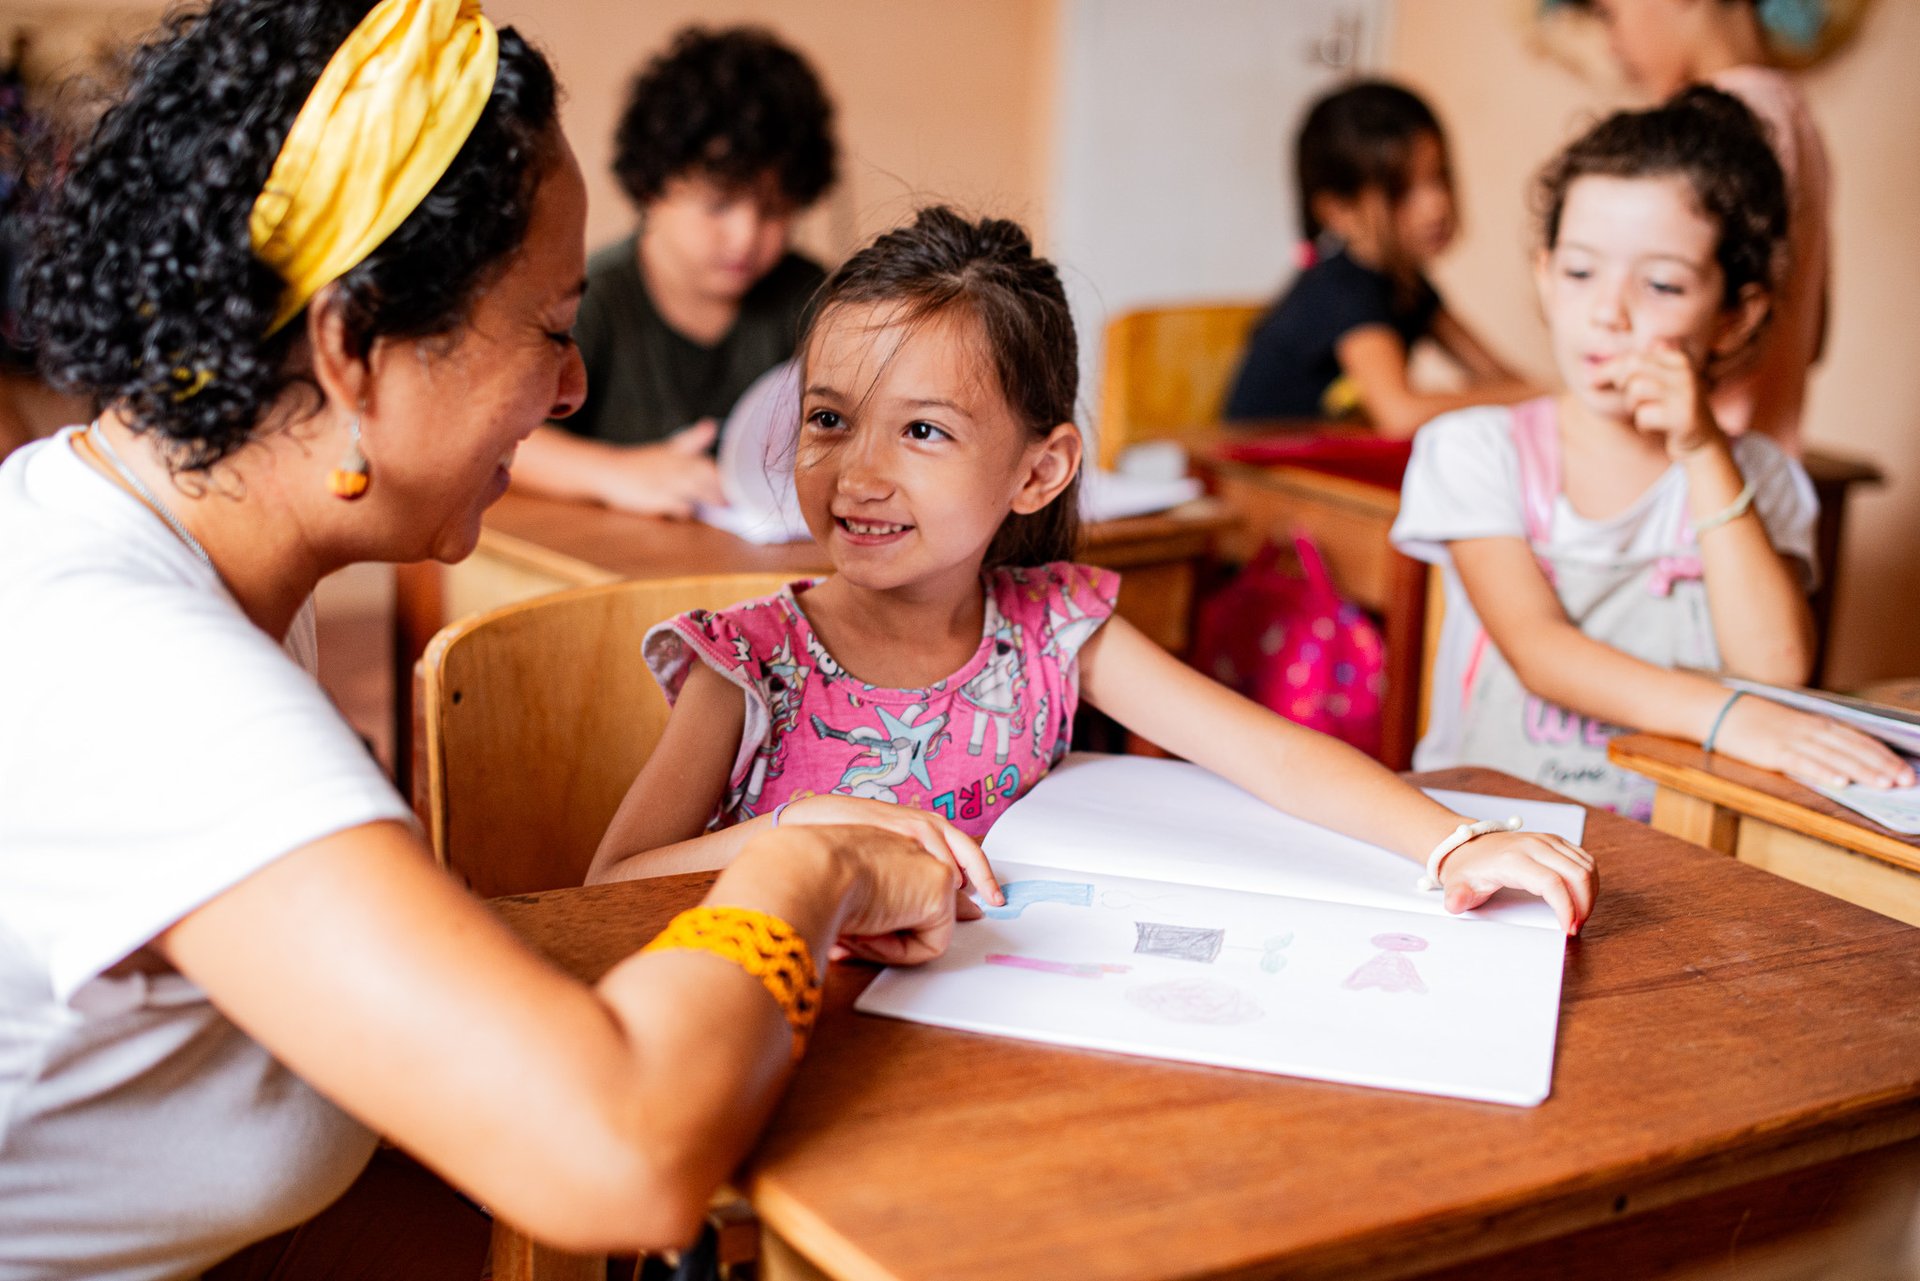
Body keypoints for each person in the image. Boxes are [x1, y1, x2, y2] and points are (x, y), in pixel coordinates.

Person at [0, 3, 962, 1277]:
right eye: (553, 329)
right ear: (352, 348)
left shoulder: (111, 518)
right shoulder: (139, 675)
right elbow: (614, 1157)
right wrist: (813, 866)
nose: (573, 389)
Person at [588, 206, 1597, 938]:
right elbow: (609, 884)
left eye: (924, 430)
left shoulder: (1051, 628)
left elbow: (1273, 757)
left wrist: (1454, 842)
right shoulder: (753, 664)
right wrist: (798, 830)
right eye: (829, 420)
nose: (859, 472)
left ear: (1040, 470)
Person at [1389, 88, 1909, 821]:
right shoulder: (1476, 452)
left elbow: (1775, 666)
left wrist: (1700, 450)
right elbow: (1539, 650)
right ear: (1544, 273)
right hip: (1490, 835)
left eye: (1662, 283)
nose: (1609, 311)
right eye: (1579, 272)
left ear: (1736, 314)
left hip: (1683, 845)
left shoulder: (1761, 480)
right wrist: (1730, 718)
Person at [511, 25, 837, 516]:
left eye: (773, 212)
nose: (746, 236)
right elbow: (508, 437)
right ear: (650, 187)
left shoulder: (816, 299)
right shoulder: (592, 299)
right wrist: (613, 471)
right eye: (718, 205)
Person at [1576, 0, 1831, 453]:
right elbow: (1815, 337)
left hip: (1688, 473)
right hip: (1764, 466)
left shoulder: (1711, 132)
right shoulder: (1796, 115)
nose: (1612, 45)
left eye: (1609, 14)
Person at [1224, 80, 1534, 436]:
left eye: (1438, 177)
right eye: (1402, 192)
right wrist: (1534, 397)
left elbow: (1502, 378)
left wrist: (1532, 395)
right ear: (1337, 211)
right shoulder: (1342, 289)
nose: (1435, 206)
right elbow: (1400, 414)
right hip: (1253, 475)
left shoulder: (1408, 284)